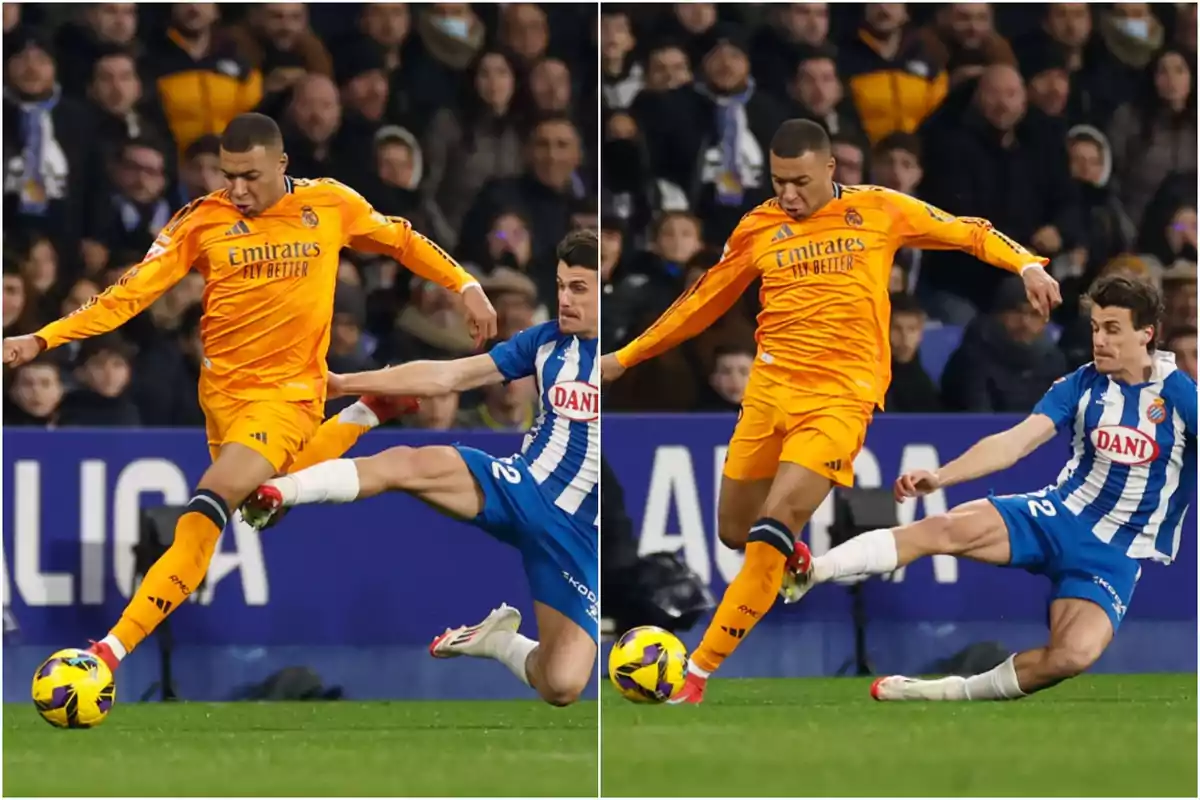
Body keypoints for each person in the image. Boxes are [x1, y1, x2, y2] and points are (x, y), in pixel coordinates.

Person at [0, 112, 497, 674]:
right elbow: (126, 295)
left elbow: (402, 239)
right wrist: (41, 339)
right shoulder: (201, 220)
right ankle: (365, 411)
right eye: (227, 174)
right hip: (222, 398)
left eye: (249, 176)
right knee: (266, 500)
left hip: (288, 396)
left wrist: (466, 285)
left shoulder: (328, 203)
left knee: (208, 505)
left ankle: (106, 655)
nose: (236, 188)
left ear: (282, 164)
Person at [599, 118, 1062, 705]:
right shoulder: (758, 226)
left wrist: (1025, 264)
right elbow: (700, 304)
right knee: (735, 530)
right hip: (768, 395)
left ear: (829, 170)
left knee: (769, 530)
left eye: (798, 182)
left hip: (841, 400)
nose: (787, 194)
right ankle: (790, 556)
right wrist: (625, 357)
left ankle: (696, 673)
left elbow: (965, 231)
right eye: (777, 181)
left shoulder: (879, 209)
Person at [793, 276, 1196, 702]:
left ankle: (944, 693)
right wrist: (942, 476)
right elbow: (1014, 442)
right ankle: (813, 570)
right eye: (1095, 328)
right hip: (1057, 516)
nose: (1099, 340)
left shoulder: (1181, 397)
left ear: (1146, 334)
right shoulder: (1080, 385)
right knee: (943, 529)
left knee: (1070, 657)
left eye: (1112, 329)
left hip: (1114, 555)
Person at [241, 231, 600, 707]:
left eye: (579, 288)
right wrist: (347, 382)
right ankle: (281, 492)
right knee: (408, 465)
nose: (564, 299)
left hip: (575, 530)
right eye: (559, 285)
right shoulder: (545, 343)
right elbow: (447, 375)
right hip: (522, 485)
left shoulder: (632, 350)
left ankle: (497, 641)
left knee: (562, 685)